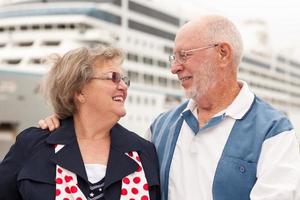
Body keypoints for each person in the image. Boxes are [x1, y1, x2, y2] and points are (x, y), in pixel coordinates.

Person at [38, 15, 300, 200]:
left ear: (223, 54)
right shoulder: (161, 126)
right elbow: (110, 159)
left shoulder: (274, 132)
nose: (174, 67)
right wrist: (67, 122)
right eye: (173, 57)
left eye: (184, 55)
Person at [0, 45, 160, 200]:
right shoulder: (33, 145)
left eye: (124, 80)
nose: (124, 86)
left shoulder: (144, 151)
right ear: (79, 91)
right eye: (114, 78)